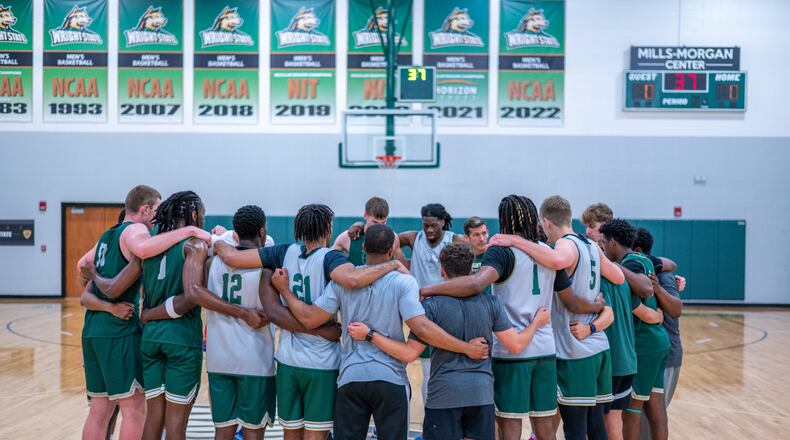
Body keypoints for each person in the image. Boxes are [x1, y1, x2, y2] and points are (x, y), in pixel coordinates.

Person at [271, 225, 490, 440]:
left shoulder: (342, 282)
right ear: (391, 252)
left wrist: (284, 291)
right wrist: (465, 348)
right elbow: (421, 328)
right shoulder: (404, 282)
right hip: (391, 379)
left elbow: (310, 318)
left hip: (350, 378)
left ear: (363, 248)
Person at [212, 204, 407, 439]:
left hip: (287, 359)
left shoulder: (283, 252)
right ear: (328, 229)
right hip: (321, 362)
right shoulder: (330, 258)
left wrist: (216, 240)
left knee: (290, 434)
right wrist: (393, 264)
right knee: (315, 434)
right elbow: (354, 279)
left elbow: (231, 256)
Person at [420, 195, 598, 440]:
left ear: (504, 219)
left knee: (510, 427)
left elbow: (475, 284)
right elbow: (570, 300)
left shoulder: (502, 251)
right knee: (546, 428)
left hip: (511, 349)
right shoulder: (547, 251)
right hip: (545, 348)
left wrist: (427, 289)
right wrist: (597, 306)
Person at [358, 242, 554, 439]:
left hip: (444, 395)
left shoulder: (431, 306)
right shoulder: (491, 303)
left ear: (442, 271)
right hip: (480, 394)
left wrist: (370, 335)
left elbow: (409, 354)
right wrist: (536, 323)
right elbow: (516, 344)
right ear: (471, 270)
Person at [76, 185, 209, 440]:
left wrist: (102, 296)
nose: (159, 216)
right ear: (146, 209)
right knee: (135, 410)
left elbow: (83, 266)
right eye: (157, 209)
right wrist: (191, 230)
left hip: (93, 329)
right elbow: (140, 258)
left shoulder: (107, 235)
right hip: (120, 330)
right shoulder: (137, 231)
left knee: (100, 409)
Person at [489, 195, 622, 440]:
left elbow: (559, 262)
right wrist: (595, 305)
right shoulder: (590, 246)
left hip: (571, 347)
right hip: (594, 347)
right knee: (589, 423)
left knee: (571, 427)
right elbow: (618, 277)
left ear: (547, 222)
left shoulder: (564, 246)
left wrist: (514, 241)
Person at [137, 191, 267, 440]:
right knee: (175, 422)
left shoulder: (152, 244)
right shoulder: (194, 245)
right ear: (194, 214)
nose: (204, 220)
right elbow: (192, 294)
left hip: (151, 337)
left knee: (153, 418)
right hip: (181, 338)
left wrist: (150, 313)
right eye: (203, 214)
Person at [598, 220, 670, 440]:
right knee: (655, 407)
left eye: (602, 243)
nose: (600, 248)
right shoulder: (644, 259)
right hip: (657, 340)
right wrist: (657, 316)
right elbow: (669, 265)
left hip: (643, 342)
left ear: (612, 242)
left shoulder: (629, 263)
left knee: (631, 409)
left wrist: (653, 316)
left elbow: (642, 297)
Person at [397, 203, 465, 403]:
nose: (429, 230)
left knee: (448, 367)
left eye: (433, 225)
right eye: (425, 225)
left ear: (443, 222)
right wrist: (402, 263)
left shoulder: (455, 240)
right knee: (427, 370)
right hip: (422, 312)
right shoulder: (413, 237)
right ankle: (430, 420)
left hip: (448, 310)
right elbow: (386, 240)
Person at [633, 228, 683, 440]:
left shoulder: (662, 276)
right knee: (646, 412)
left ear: (637, 250)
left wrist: (660, 290)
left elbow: (676, 309)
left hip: (667, 354)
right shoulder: (641, 271)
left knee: (652, 413)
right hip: (649, 353)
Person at [333, 196, 391, 265]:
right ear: (365, 215)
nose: (379, 227)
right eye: (375, 222)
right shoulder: (347, 237)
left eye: (383, 223)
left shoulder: (392, 238)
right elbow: (329, 263)